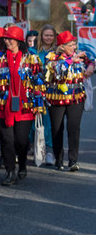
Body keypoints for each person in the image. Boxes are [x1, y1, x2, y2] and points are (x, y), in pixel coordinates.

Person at [0, 25, 46, 185]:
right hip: (3, 105)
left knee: (21, 141)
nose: (7, 41)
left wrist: (38, 105)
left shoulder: (32, 58)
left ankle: (22, 163)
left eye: (11, 39)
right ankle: (10, 171)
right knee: (7, 140)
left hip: (25, 106)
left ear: (18, 41)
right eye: (6, 39)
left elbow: (38, 82)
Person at [44, 30, 95, 171]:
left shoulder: (80, 55)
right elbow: (56, 71)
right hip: (57, 99)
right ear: (62, 46)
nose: (74, 47)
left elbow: (91, 61)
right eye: (71, 45)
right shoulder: (52, 57)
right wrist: (71, 60)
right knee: (57, 129)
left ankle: (73, 160)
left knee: (74, 128)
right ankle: (58, 158)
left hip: (76, 98)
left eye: (74, 44)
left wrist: (91, 65)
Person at [36, 24, 57, 165]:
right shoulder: (35, 52)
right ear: (41, 36)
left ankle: (49, 151)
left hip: (55, 93)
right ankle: (37, 149)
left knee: (51, 123)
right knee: (37, 121)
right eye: (46, 35)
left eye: (51, 35)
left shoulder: (58, 52)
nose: (48, 38)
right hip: (37, 91)